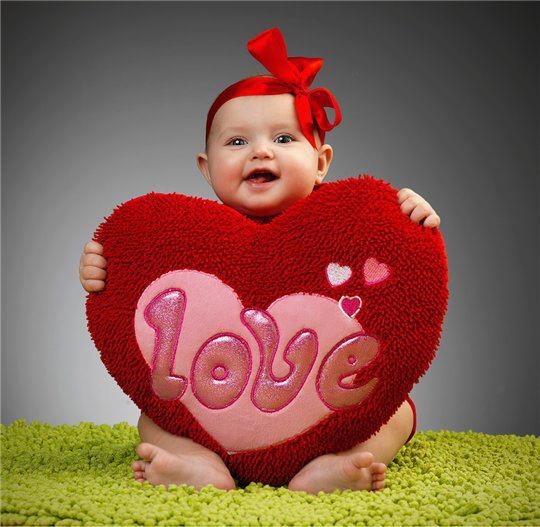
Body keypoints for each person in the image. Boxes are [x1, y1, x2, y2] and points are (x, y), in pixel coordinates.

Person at [79, 28, 440, 494]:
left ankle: (337, 464)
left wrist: (412, 220)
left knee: (397, 412)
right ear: (206, 168)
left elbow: (404, 274)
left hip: (328, 413)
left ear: (322, 161)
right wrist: (102, 272)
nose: (260, 151)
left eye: (285, 137)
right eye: (236, 143)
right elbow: (125, 293)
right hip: (217, 404)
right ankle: (200, 464)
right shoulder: (184, 241)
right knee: (155, 415)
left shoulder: (349, 229)